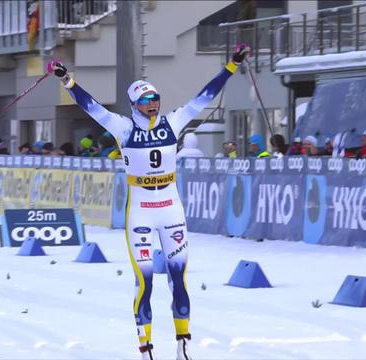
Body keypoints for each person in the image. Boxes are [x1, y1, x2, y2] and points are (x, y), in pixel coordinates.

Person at [49, 43, 250, 359]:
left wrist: (232, 65)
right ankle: (146, 349)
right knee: (144, 283)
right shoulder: (123, 127)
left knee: (179, 281)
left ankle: (183, 346)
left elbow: (205, 96)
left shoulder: (175, 121)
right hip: (141, 212)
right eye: (145, 100)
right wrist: (67, 80)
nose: (153, 104)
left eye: (155, 98)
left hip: (171, 210)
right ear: (134, 104)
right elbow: (91, 107)